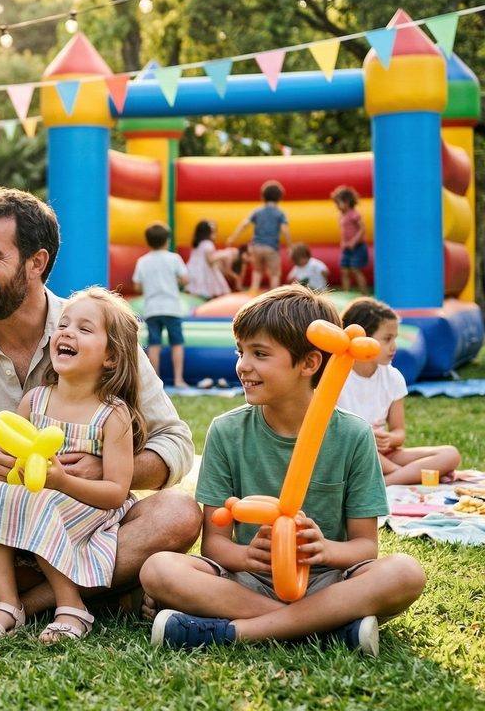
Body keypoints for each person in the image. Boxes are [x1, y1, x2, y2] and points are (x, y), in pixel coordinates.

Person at [0, 188, 199, 627]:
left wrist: (105, 472)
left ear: (36, 263)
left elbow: (175, 443)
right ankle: (102, 596)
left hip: (89, 526)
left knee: (178, 514)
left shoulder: (101, 333)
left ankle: (10, 604)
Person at [140, 285, 426, 655]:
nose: (243, 365)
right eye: (241, 351)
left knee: (405, 572)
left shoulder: (354, 435)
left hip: (329, 581)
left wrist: (323, 549)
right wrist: (248, 557)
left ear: (309, 363)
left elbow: (364, 547)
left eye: (260, 354)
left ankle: (236, 632)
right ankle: (328, 630)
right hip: (245, 583)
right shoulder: (226, 431)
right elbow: (215, 544)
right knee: (159, 569)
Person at [0, 288, 146, 643]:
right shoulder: (35, 400)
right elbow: (16, 457)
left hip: (90, 506)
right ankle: (8, 604)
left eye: (85, 330)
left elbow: (115, 494)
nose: (67, 333)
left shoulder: (112, 414)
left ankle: (73, 607)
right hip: (37, 499)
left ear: (111, 357)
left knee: (42, 500)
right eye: (64, 324)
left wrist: (62, 482)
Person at [337, 297, 460, 485]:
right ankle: (404, 477)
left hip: (384, 454)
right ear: (363, 339)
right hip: (350, 454)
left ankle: (391, 479)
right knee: (360, 449)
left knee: (450, 454)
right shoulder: (337, 377)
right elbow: (335, 437)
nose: (394, 346)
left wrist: (389, 439)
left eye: (395, 338)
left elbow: (399, 432)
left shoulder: (393, 377)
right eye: (387, 339)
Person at [133, 222, 189, 388]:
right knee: (177, 343)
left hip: (152, 308)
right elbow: (185, 278)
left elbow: (137, 285)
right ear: (167, 240)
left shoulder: (143, 261)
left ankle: (155, 379)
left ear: (148, 241)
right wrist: (178, 282)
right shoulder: (174, 258)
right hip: (171, 307)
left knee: (154, 344)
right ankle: (179, 379)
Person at [228, 180, 290, 293]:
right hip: (271, 248)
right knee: (274, 274)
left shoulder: (258, 212)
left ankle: (253, 291)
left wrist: (233, 237)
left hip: (256, 247)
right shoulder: (279, 213)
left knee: (257, 271)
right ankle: (274, 294)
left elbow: (245, 224)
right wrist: (290, 246)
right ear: (279, 198)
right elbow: (284, 230)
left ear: (263, 197)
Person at [184, 220, 235, 299]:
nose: (215, 235)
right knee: (213, 288)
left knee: (196, 288)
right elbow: (210, 260)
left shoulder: (197, 243)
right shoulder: (208, 243)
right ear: (207, 233)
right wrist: (224, 254)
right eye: (213, 232)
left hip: (193, 269)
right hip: (203, 270)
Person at [332, 186, 369, 294]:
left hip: (357, 247)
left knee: (355, 270)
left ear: (347, 201)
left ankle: (364, 293)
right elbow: (344, 231)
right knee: (344, 270)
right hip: (347, 248)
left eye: (338, 203)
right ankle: (346, 293)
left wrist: (354, 241)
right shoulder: (341, 215)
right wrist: (343, 242)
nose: (337, 206)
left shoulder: (354, 214)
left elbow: (362, 228)